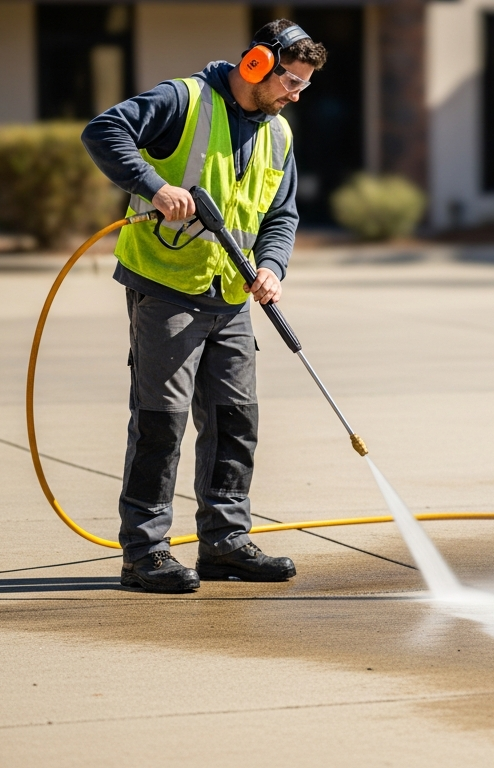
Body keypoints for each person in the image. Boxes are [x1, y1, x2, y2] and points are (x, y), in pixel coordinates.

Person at [81, 20, 327, 593]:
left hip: (231, 295)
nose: (295, 95)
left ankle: (225, 542)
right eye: (290, 80)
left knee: (235, 420)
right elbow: (103, 130)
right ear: (256, 65)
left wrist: (272, 266)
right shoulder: (183, 100)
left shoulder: (279, 133)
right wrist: (154, 184)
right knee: (161, 421)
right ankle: (144, 552)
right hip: (166, 283)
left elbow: (281, 215)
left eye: (304, 87)